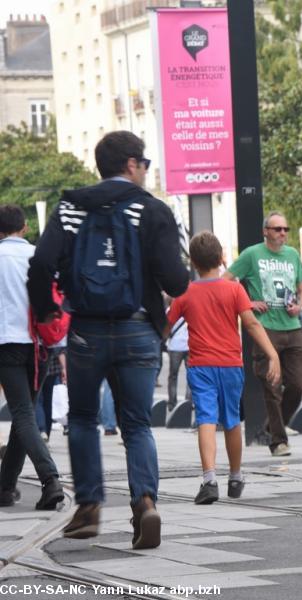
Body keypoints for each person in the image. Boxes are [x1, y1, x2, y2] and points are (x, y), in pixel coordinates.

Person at [29, 130, 190, 548]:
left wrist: (47, 310)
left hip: (85, 331)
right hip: (138, 329)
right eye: (146, 165)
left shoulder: (70, 207)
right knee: (136, 423)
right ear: (132, 165)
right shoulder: (152, 210)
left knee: (82, 418)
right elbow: (175, 279)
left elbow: (42, 262)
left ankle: (89, 506)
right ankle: (146, 503)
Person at [166, 231, 281, 504]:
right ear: (221, 259)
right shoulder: (234, 289)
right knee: (231, 421)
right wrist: (272, 354)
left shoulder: (185, 293)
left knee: (206, 418)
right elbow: (251, 324)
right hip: (230, 365)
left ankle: (209, 480)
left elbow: (166, 324)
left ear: (193, 262)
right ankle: (236, 476)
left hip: (201, 366)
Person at [225, 211, 302, 457]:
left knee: (297, 383)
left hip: (292, 327)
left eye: (285, 229)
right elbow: (227, 280)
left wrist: (300, 305)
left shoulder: (292, 255)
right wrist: (249, 303)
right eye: (277, 229)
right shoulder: (252, 254)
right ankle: (278, 441)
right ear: (266, 231)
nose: (282, 233)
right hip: (265, 328)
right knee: (272, 385)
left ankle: (271, 427)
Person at [0, 204, 64, 509]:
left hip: (6, 345)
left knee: (22, 415)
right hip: (39, 346)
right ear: (24, 228)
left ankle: (50, 480)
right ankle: (5, 486)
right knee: (23, 413)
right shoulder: (38, 257)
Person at [166, 310, 190, 410]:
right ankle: (188, 402)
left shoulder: (170, 310)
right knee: (191, 375)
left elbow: (166, 327)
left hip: (175, 346)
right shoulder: (191, 308)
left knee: (173, 376)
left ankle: (172, 402)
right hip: (190, 345)